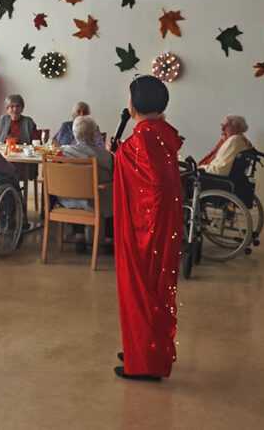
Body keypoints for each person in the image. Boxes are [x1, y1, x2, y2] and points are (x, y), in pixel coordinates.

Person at [111, 75, 183, 381]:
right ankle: (142, 347)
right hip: (162, 225)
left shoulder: (140, 141)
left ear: (133, 105)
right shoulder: (161, 134)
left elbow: (145, 183)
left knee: (141, 288)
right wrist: (122, 152)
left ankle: (146, 364)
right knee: (154, 288)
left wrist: (119, 153)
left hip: (145, 230)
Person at [55, 116, 114, 253]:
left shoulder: (63, 153)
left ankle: (79, 237)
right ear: (94, 135)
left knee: (76, 192)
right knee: (113, 196)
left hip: (70, 201)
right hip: (97, 203)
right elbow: (113, 174)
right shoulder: (105, 155)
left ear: (74, 135)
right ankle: (109, 240)